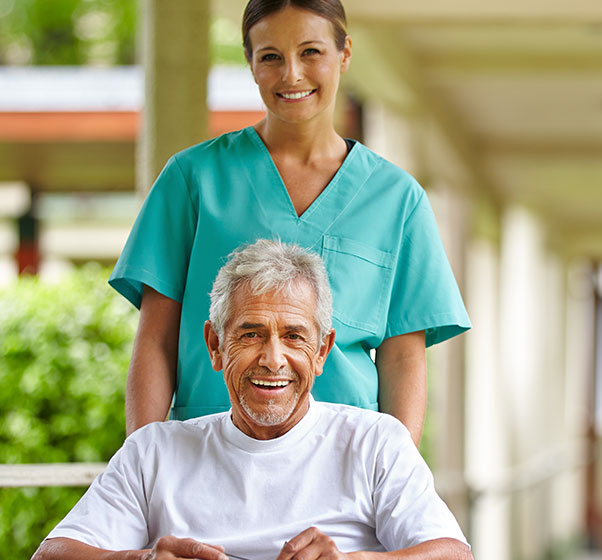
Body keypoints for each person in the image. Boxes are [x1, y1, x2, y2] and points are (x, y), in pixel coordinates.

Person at [109, 0, 470, 443]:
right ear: (250, 63)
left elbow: (403, 360)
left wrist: (395, 480)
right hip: (208, 451)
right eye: (271, 57)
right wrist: (143, 467)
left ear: (345, 53)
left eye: (311, 52)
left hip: (344, 458)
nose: (292, 74)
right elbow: (155, 341)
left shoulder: (397, 198)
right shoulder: (192, 180)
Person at [32, 240, 473, 560]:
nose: (273, 359)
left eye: (295, 337)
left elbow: (454, 554)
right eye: (251, 334)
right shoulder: (153, 451)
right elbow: (51, 555)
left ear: (321, 352)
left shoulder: (375, 443)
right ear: (215, 345)